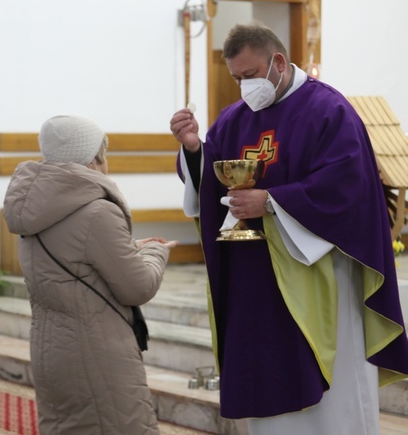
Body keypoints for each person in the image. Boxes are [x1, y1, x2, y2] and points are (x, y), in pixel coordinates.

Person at [169, 23, 408, 434]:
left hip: (319, 273)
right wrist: (194, 150)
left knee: (332, 405)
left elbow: (347, 186)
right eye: (237, 79)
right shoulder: (233, 119)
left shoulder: (329, 110)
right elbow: (214, 182)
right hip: (256, 283)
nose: (245, 86)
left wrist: (273, 202)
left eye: (250, 74)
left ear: (278, 62)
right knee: (270, 393)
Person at [3, 115, 177, 434]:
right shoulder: (98, 211)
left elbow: (76, 261)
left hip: (50, 349)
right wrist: (156, 251)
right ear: (94, 158)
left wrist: (129, 248)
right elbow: (138, 287)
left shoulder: (33, 208)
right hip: (97, 352)